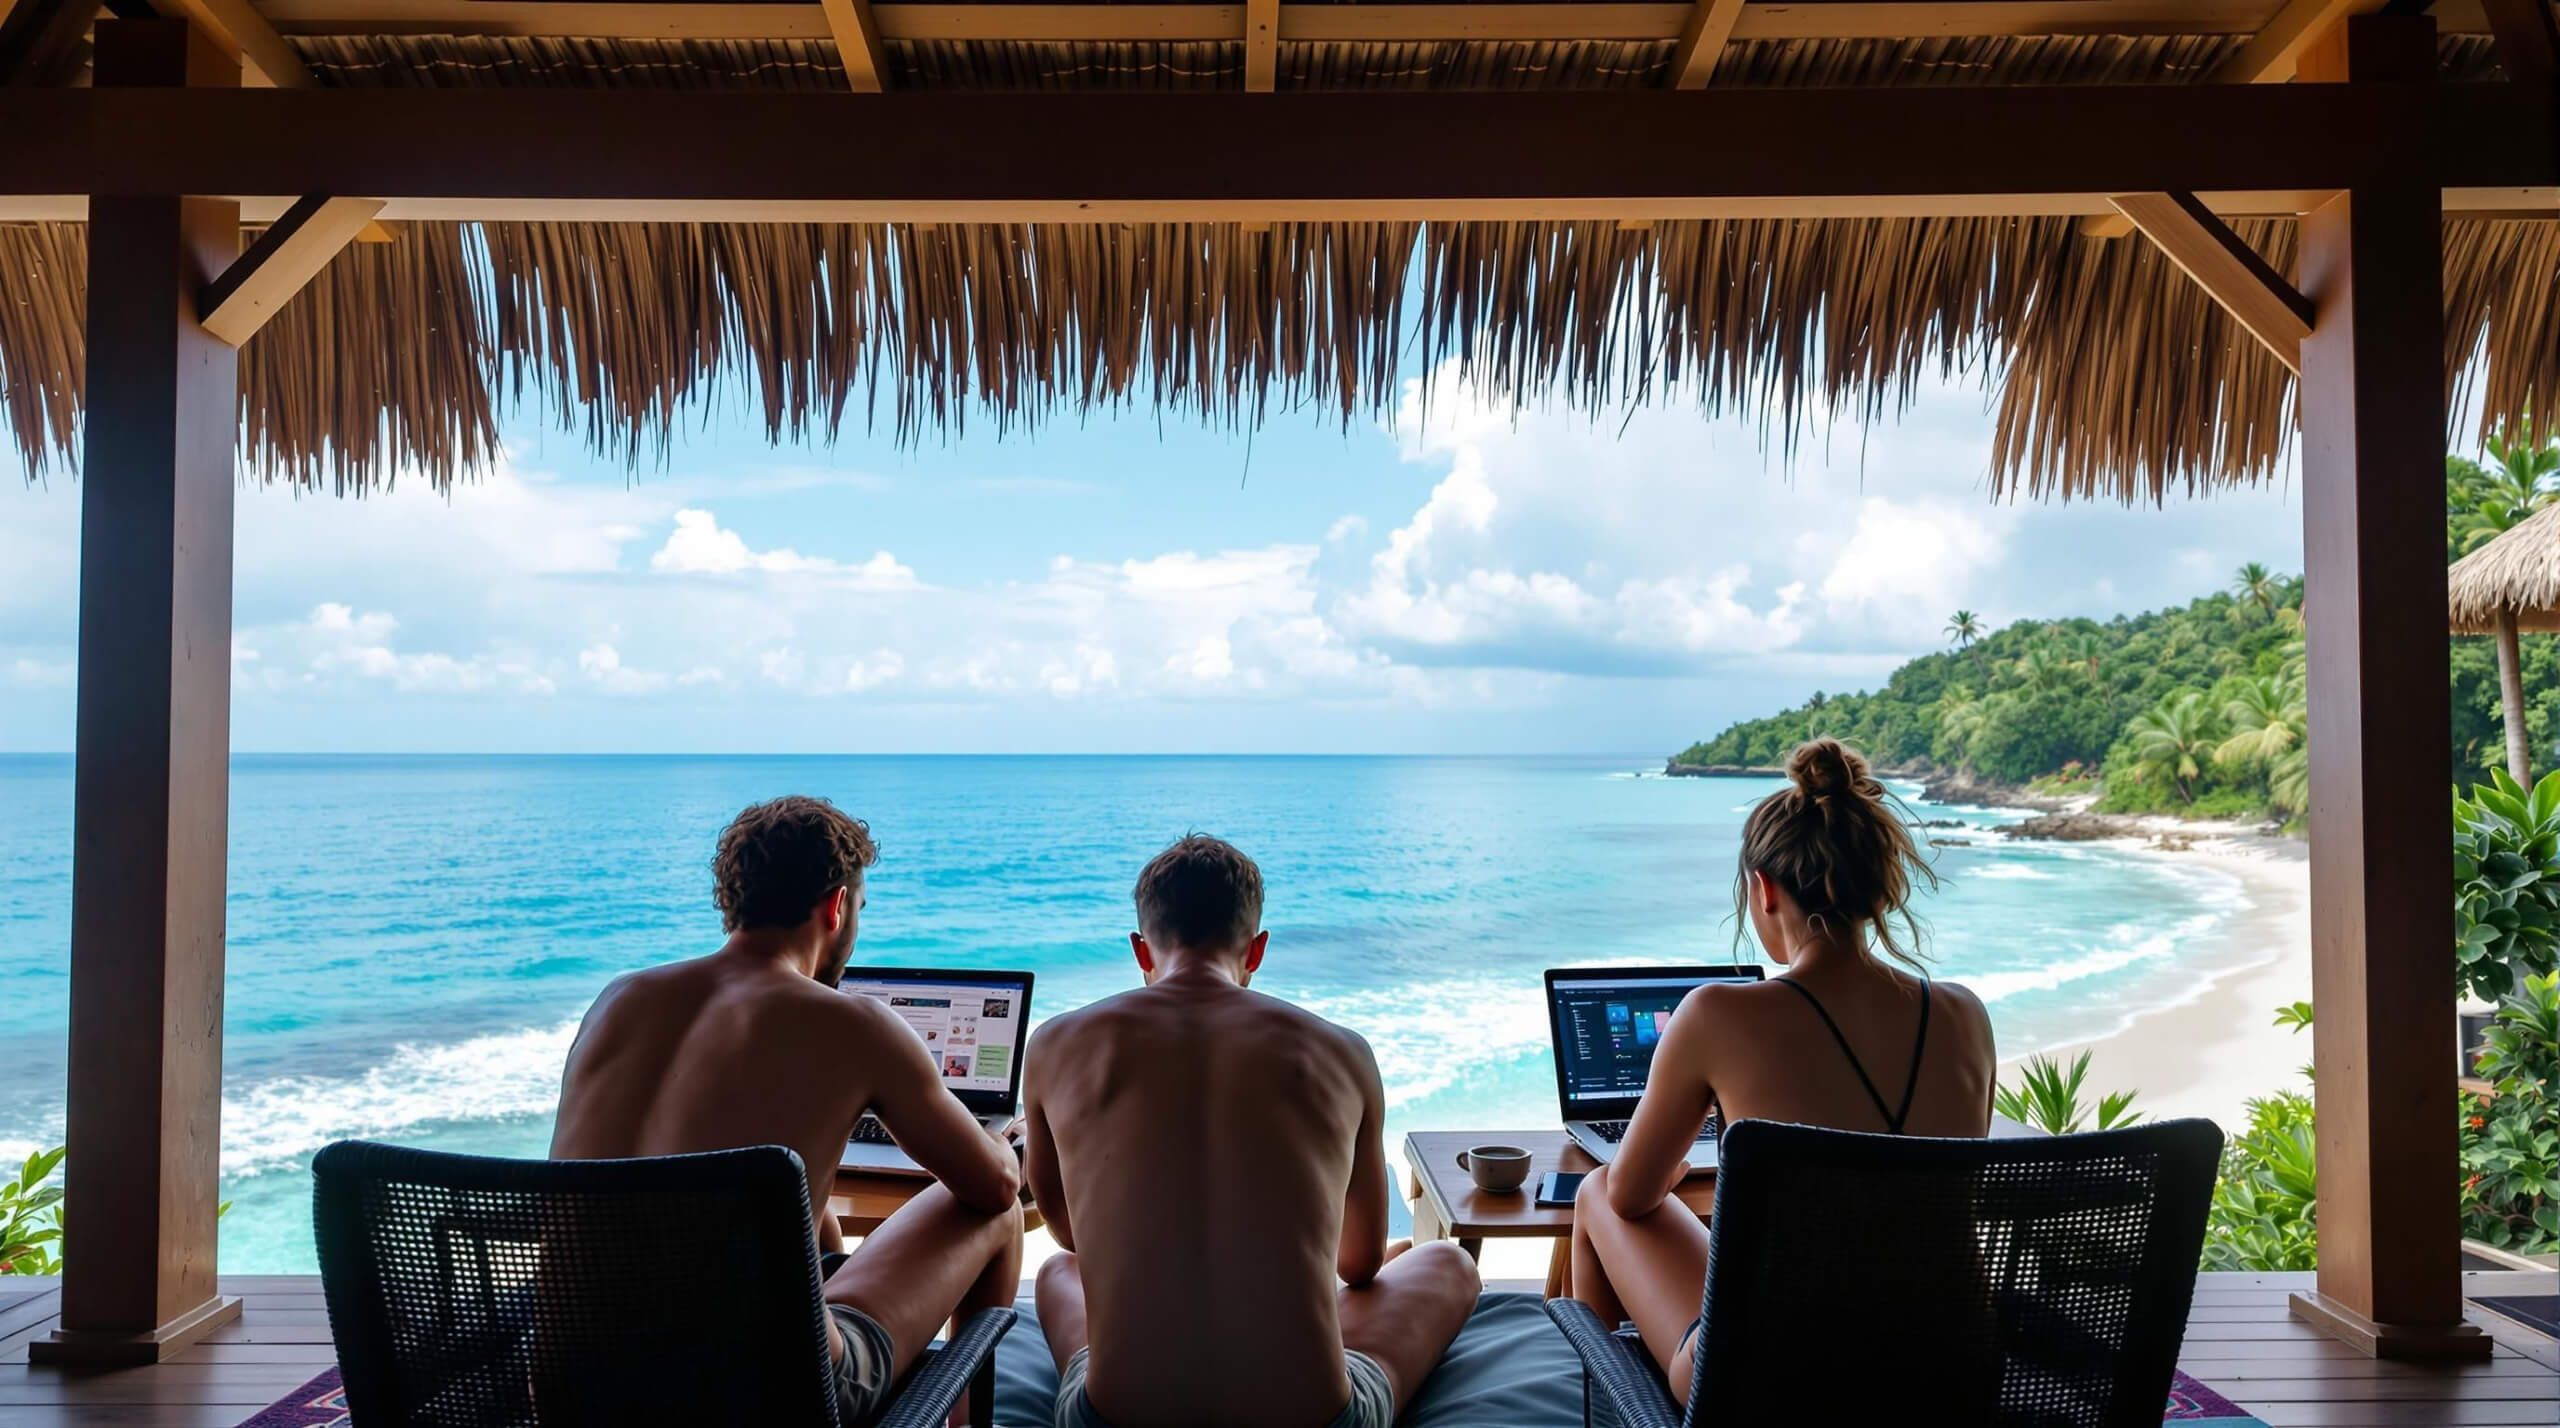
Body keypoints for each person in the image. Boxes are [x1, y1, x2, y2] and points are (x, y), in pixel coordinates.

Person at [551, 795, 1023, 1427]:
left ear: (733, 900)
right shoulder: (854, 1025)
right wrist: (1004, 1144)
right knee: (997, 1216)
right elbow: (991, 1188)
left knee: (813, 1218)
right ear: (836, 907)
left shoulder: (619, 999)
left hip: (578, 1387)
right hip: (767, 1397)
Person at [1568, 738, 1997, 1406]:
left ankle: (1606, 1400)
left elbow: (1631, 1199)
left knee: (1598, 1192)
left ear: (1763, 890)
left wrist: (1671, 1174)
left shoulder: (1716, 1014)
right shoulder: (1964, 1015)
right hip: (1942, 1371)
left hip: (1768, 1386)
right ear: (1878, 885)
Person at [1024, 834, 1481, 1428]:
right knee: (1449, 1263)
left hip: (1113, 1419)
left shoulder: (1057, 1045)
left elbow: (1071, 1240)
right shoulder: (1341, 1053)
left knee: (1056, 1273)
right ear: (1257, 949)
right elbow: (1361, 1264)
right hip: (1314, 1418)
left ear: (1141, 950)